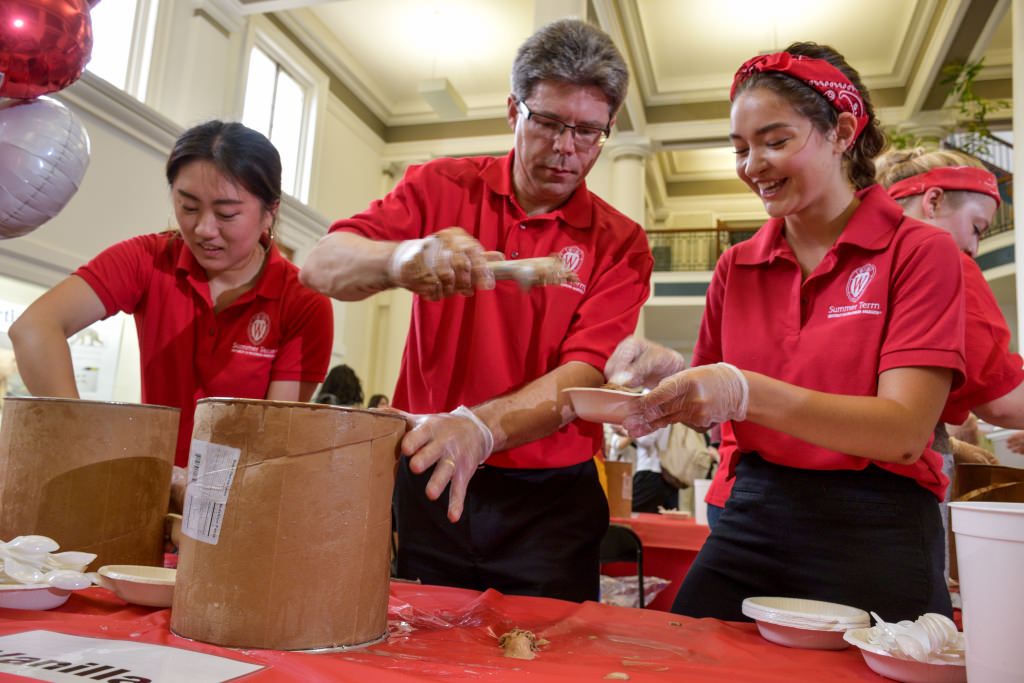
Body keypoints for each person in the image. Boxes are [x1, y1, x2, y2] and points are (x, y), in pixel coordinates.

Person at [606, 43, 965, 621]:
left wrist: (744, 391)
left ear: (843, 131)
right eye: (742, 149)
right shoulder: (737, 265)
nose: (753, 166)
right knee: (685, 650)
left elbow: (902, 430)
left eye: (776, 142)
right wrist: (673, 376)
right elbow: (715, 408)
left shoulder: (918, 252)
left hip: (879, 516)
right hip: (758, 505)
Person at [300, 18, 652, 601]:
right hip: (431, 475)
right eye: (548, 123)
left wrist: (479, 428)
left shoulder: (620, 243)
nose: (567, 148)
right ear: (514, 111)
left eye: (589, 132)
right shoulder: (442, 187)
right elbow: (321, 264)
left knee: (544, 655)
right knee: (421, 646)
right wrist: (403, 259)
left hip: (549, 501)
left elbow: (584, 372)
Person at [10, 121, 334, 472]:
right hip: (152, 484)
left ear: (270, 211)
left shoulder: (303, 301)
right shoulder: (149, 260)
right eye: (189, 207)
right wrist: (83, 439)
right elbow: (33, 329)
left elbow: (271, 441)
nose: (204, 229)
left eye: (227, 214)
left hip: (239, 499)